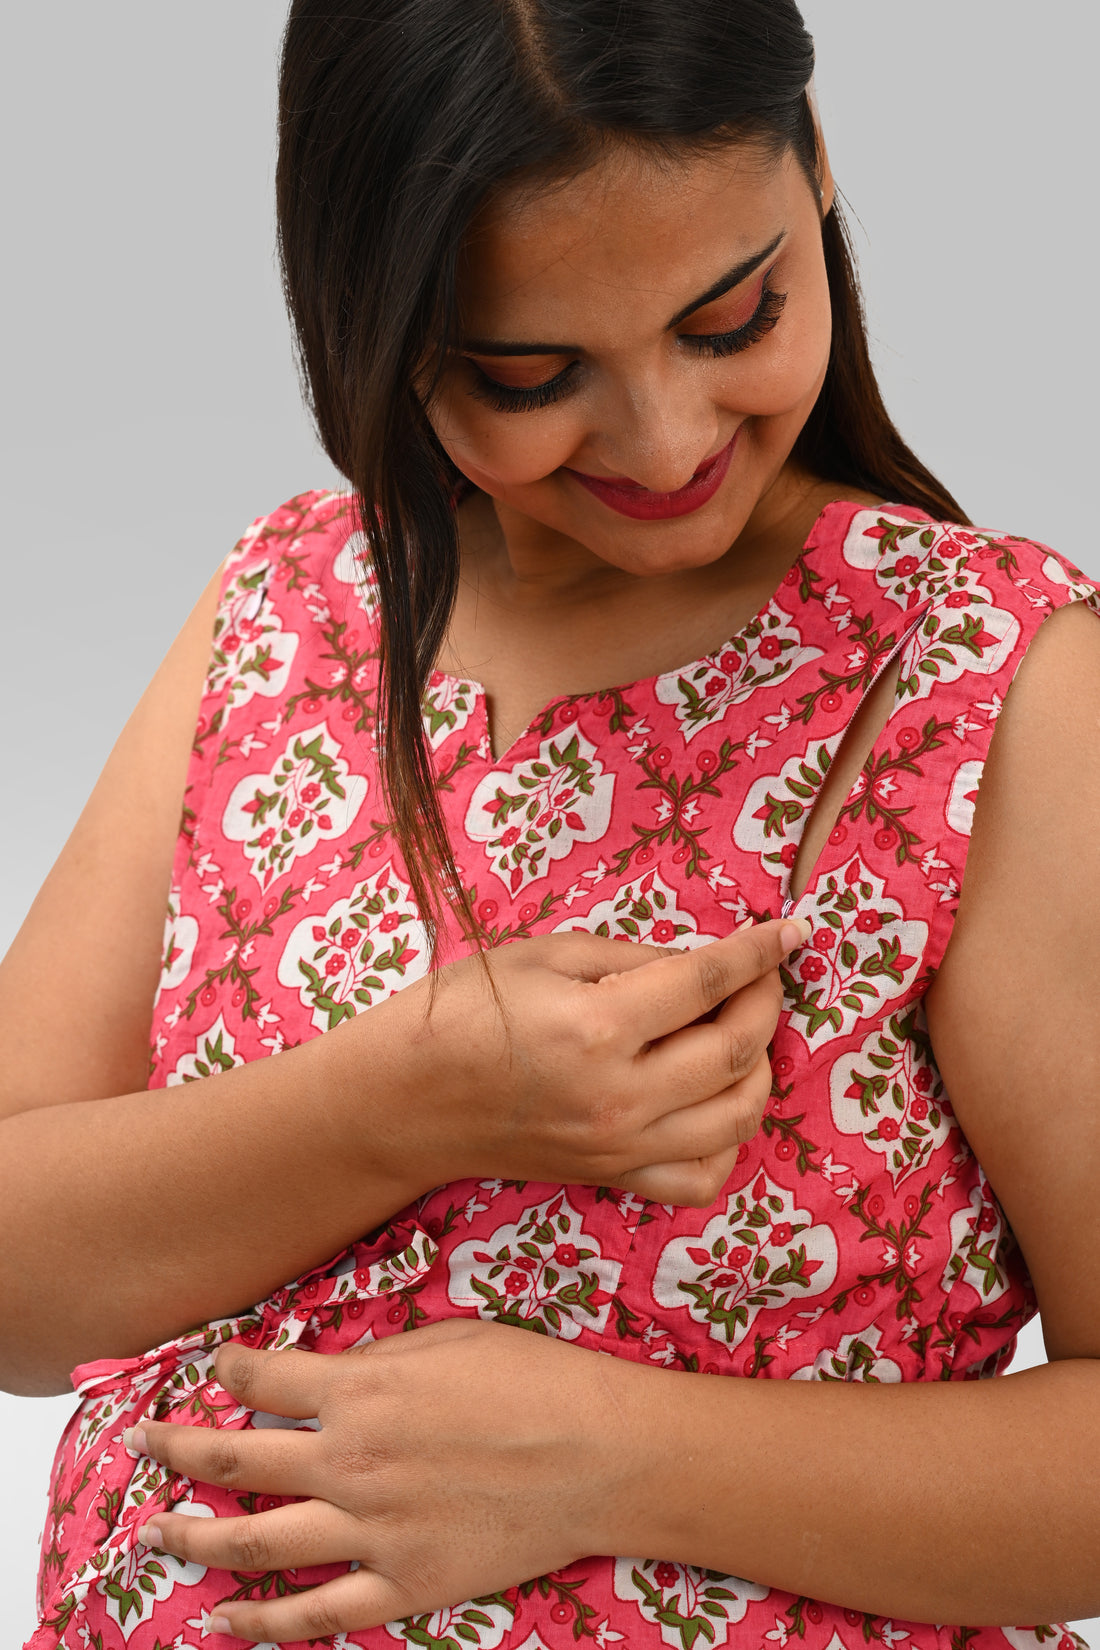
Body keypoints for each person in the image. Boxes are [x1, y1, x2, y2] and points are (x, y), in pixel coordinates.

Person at [4, 0, 1100, 1645]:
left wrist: (612, 1461)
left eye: (731, 319)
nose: (664, 439)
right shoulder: (290, 606)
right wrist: (412, 1094)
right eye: (534, 373)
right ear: (380, 323)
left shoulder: (983, 680)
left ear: (818, 176)